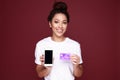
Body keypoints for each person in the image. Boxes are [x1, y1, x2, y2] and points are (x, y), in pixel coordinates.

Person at [35, 1, 83, 80]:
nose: (60, 26)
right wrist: (48, 68)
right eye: (56, 22)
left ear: (67, 25)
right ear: (50, 23)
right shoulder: (42, 45)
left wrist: (76, 65)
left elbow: (78, 74)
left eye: (64, 22)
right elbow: (40, 74)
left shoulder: (74, 45)